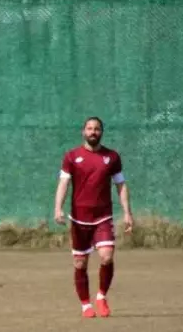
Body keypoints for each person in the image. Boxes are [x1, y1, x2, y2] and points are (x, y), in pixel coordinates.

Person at [53, 117, 133, 318]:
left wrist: (127, 213)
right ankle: (85, 305)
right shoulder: (72, 156)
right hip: (79, 219)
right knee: (80, 264)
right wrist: (58, 209)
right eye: (89, 128)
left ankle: (101, 296)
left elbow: (121, 185)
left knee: (106, 256)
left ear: (102, 132)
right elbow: (63, 183)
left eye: (97, 129)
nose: (93, 132)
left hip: (103, 217)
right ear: (83, 132)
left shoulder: (112, 157)